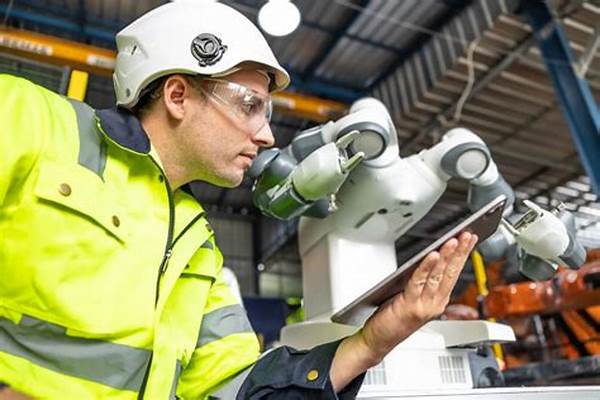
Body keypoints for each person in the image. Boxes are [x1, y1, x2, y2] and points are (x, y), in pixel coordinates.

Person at [0, 1, 477, 398]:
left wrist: (373, 341)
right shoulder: (30, 121)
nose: (267, 135)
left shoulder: (196, 247)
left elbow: (238, 388)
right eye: (251, 106)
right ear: (178, 95)